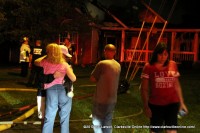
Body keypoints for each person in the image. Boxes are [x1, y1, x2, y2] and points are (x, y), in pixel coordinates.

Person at [140, 42, 188, 133]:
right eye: (160, 54)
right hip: (156, 105)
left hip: (172, 104)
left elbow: (177, 85)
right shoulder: (149, 67)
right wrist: (146, 106)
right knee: (155, 131)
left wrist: (182, 103)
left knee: (171, 131)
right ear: (156, 54)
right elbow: (144, 89)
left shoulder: (172, 64)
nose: (163, 57)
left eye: (165, 54)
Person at [34, 43, 76, 133]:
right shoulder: (64, 64)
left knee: (49, 115)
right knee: (65, 116)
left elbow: (36, 61)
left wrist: (49, 54)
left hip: (50, 90)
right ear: (60, 54)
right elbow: (73, 78)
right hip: (64, 89)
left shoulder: (45, 62)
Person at [90, 44, 121, 133]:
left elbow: (92, 78)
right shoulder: (118, 65)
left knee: (97, 122)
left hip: (100, 99)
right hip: (112, 99)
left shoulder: (102, 63)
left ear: (105, 51)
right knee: (107, 122)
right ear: (114, 52)